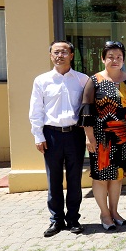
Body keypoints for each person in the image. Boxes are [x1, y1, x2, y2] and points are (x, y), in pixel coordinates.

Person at [29, 41, 89, 237]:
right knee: (53, 179)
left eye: (64, 52)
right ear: (50, 56)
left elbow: (87, 109)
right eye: (56, 52)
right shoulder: (42, 81)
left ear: (71, 55)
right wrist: (38, 135)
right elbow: (36, 110)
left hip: (75, 134)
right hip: (51, 135)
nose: (60, 55)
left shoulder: (82, 80)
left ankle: (73, 219)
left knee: (74, 179)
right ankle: (56, 220)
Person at [79, 40, 126, 231]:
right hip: (101, 139)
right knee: (101, 177)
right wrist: (89, 137)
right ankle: (104, 214)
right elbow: (86, 111)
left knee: (117, 176)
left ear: (123, 59)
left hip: (122, 137)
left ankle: (115, 212)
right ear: (103, 59)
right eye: (110, 57)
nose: (115, 60)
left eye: (119, 57)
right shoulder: (94, 81)